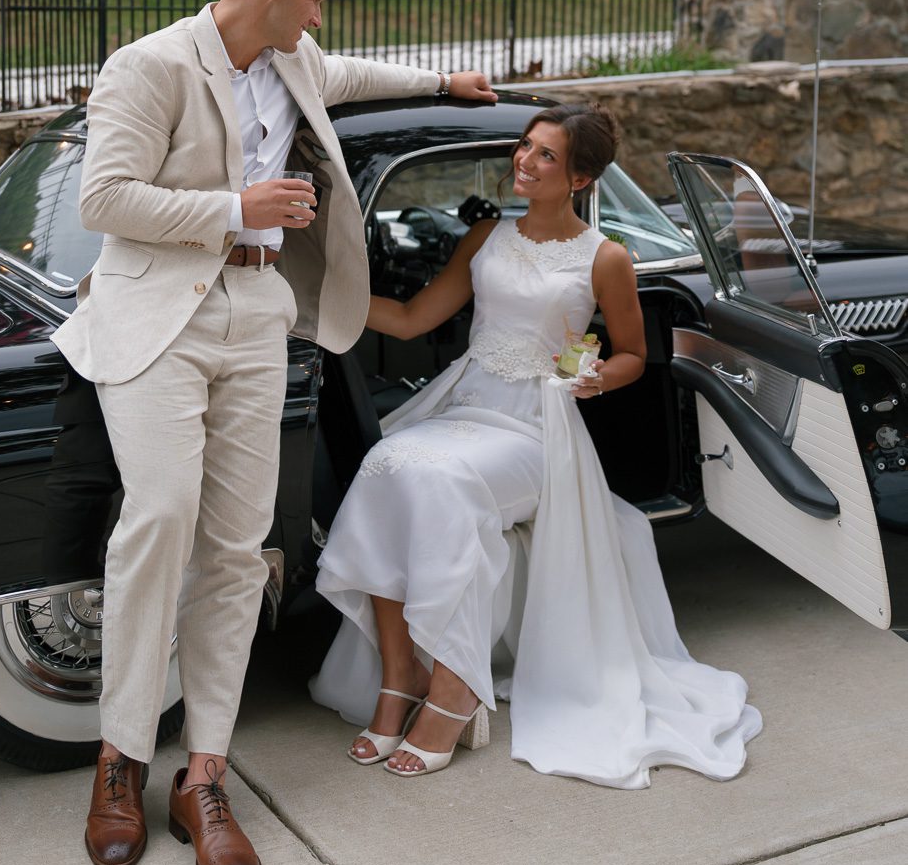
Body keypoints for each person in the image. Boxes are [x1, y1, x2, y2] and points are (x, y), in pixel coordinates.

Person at [50, 0, 495, 865]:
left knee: (237, 544)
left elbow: (353, 76)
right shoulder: (148, 64)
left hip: (256, 314)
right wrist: (232, 207)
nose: (322, 17)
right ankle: (119, 760)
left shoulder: (293, 61)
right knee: (158, 517)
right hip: (156, 314)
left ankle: (202, 774)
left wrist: (442, 83)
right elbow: (102, 199)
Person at [310, 103, 762, 787]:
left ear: (579, 177)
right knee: (383, 465)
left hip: (537, 428)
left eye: (545, 155)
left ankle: (455, 692)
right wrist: (310, 298)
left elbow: (634, 354)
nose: (524, 161)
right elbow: (409, 319)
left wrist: (594, 376)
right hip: (466, 404)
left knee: (439, 481)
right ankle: (399, 676)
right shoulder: (485, 236)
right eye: (524, 147)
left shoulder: (605, 257)